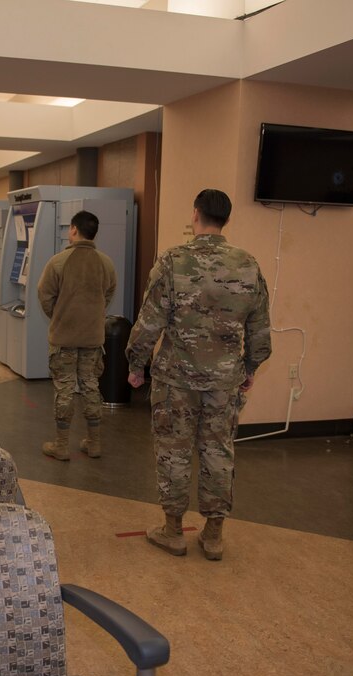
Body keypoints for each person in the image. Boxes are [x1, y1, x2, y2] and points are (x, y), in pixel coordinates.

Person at [126, 189, 271, 560]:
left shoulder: (174, 261)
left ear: (196, 214)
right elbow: (259, 329)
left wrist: (135, 364)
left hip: (176, 380)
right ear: (226, 219)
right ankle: (213, 535)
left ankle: (173, 530)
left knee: (174, 452)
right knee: (218, 452)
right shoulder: (249, 265)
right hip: (225, 382)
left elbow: (149, 321)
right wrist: (250, 368)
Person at [37, 210, 117, 461]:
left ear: (73, 229)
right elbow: (108, 294)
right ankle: (94, 443)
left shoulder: (58, 262)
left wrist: (60, 316)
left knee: (65, 389)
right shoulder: (106, 262)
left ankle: (61, 445)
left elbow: (44, 295)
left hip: (64, 339)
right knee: (92, 386)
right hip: (93, 338)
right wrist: (92, 316)